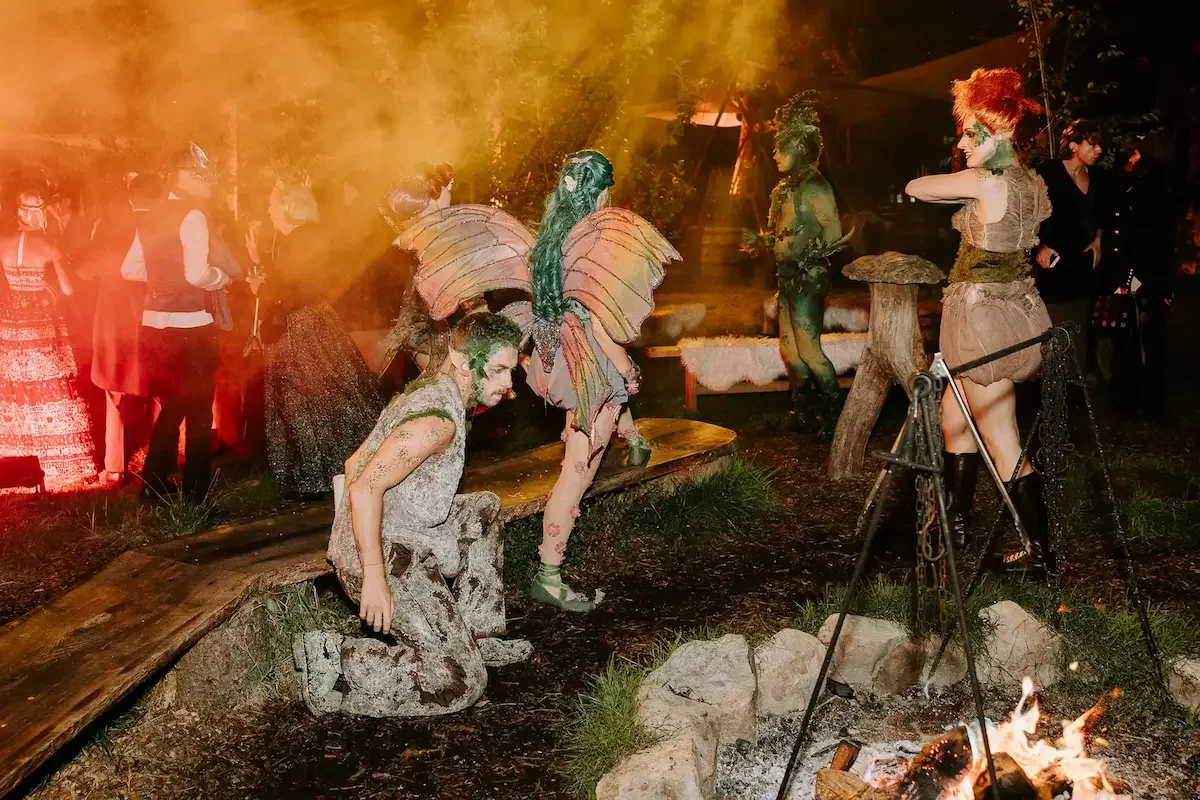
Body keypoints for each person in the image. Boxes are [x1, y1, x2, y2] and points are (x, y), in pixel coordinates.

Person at [398, 149, 679, 611]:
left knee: (612, 400)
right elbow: (603, 328)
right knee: (578, 470)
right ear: (601, 194)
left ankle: (633, 438)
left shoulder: (549, 237)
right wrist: (628, 370)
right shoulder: (595, 242)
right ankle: (548, 573)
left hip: (552, 355)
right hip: (587, 363)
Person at [295, 311, 525, 717]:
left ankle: (476, 636)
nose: (509, 383)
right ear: (462, 362)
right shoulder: (436, 423)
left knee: (483, 509)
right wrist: (371, 574)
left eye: (512, 369)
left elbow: (353, 463)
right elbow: (364, 486)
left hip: (407, 529)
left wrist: (343, 532)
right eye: (498, 371)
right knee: (460, 682)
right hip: (387, 553)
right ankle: (334, 657)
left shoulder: (438, 391)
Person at [905, 68, 1056, 574]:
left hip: (982, 319)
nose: (962, 143)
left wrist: (968, 181)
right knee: (955, 420)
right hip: (1012, 308)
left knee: (1001, 437)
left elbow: (915, 187)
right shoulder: (1029, 181)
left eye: (973, 134)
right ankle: (954, 529)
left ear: (1003, 133)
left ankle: (1039, 555)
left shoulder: (986, 182)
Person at [246, 177, 383, 497]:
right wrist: (259, 263)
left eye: (272, 203)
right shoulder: (303, 237)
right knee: (330, 396)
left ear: (287, 206)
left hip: (303, 327)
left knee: (307, 401)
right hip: (314, 321)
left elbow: (291, 291)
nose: (269, 209)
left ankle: (317, 474)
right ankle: (345, 465)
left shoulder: (297, 240)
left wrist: (259, 288)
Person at [120, 143, 237, 505]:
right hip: (191, 326)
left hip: (155, 328)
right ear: (185, 176)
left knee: (173, 407)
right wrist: (222, 278)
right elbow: (197, 274)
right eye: (204, 176)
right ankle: (196, 493)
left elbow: (129, 269)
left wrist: (163, 280)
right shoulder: (193, 215)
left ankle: (153, 486)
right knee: (198, 410)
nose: (210, 183)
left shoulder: (149, 215)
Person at [756, 91, 849, 434]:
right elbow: (781, 232)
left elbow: (834, 234)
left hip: (808, 280)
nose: (775, 154)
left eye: (781, 148)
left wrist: (808, 258)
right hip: (786, 279)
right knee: (791, 352)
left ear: (799, 148)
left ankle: (836, 417)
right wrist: (765, 242)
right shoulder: (784, 189)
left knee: (809, 352)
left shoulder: (816, 186)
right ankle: (803, 412)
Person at [0, 187, 96, 489]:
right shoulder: (49, 246)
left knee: (16, 384)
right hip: (40, 319)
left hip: (11, 318)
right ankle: (60, 459)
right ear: (39, 213)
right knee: (50, 382)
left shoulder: (2, 242)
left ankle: (17, 456)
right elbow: (68, 289)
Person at [79, 173, 161, 486]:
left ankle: (115, 468)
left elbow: (85, 271)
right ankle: (166, 457)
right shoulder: (166, 227)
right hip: (153, 313)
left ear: (129, 197)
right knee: (160, 387)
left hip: (115, 319)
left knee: (115, 390)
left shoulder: (112, 229)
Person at [1097, 132, 1176, 421]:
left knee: (1149, 338)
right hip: (1129, 271)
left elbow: (1161, 236)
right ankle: (1128, 400)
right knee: (1126, 336)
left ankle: (1150, 402)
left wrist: (1164, 284)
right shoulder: (1118, 181)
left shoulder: (1153, 181)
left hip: (1147, 272)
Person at [1034, 120, 1108, 376]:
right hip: (1054, 263)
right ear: (1074, 145)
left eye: (1100, 145)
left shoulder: (1097, 177)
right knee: (1056, 328)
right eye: (1092, 144)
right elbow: (1030, 213)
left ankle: (1080, 386)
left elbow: (1102, 216)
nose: (1099, 150)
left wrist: (1098, 240)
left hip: (1084, 264)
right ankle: (1055, 386)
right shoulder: (1049, 172)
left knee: (1080, 329)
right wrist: (1039, 245)